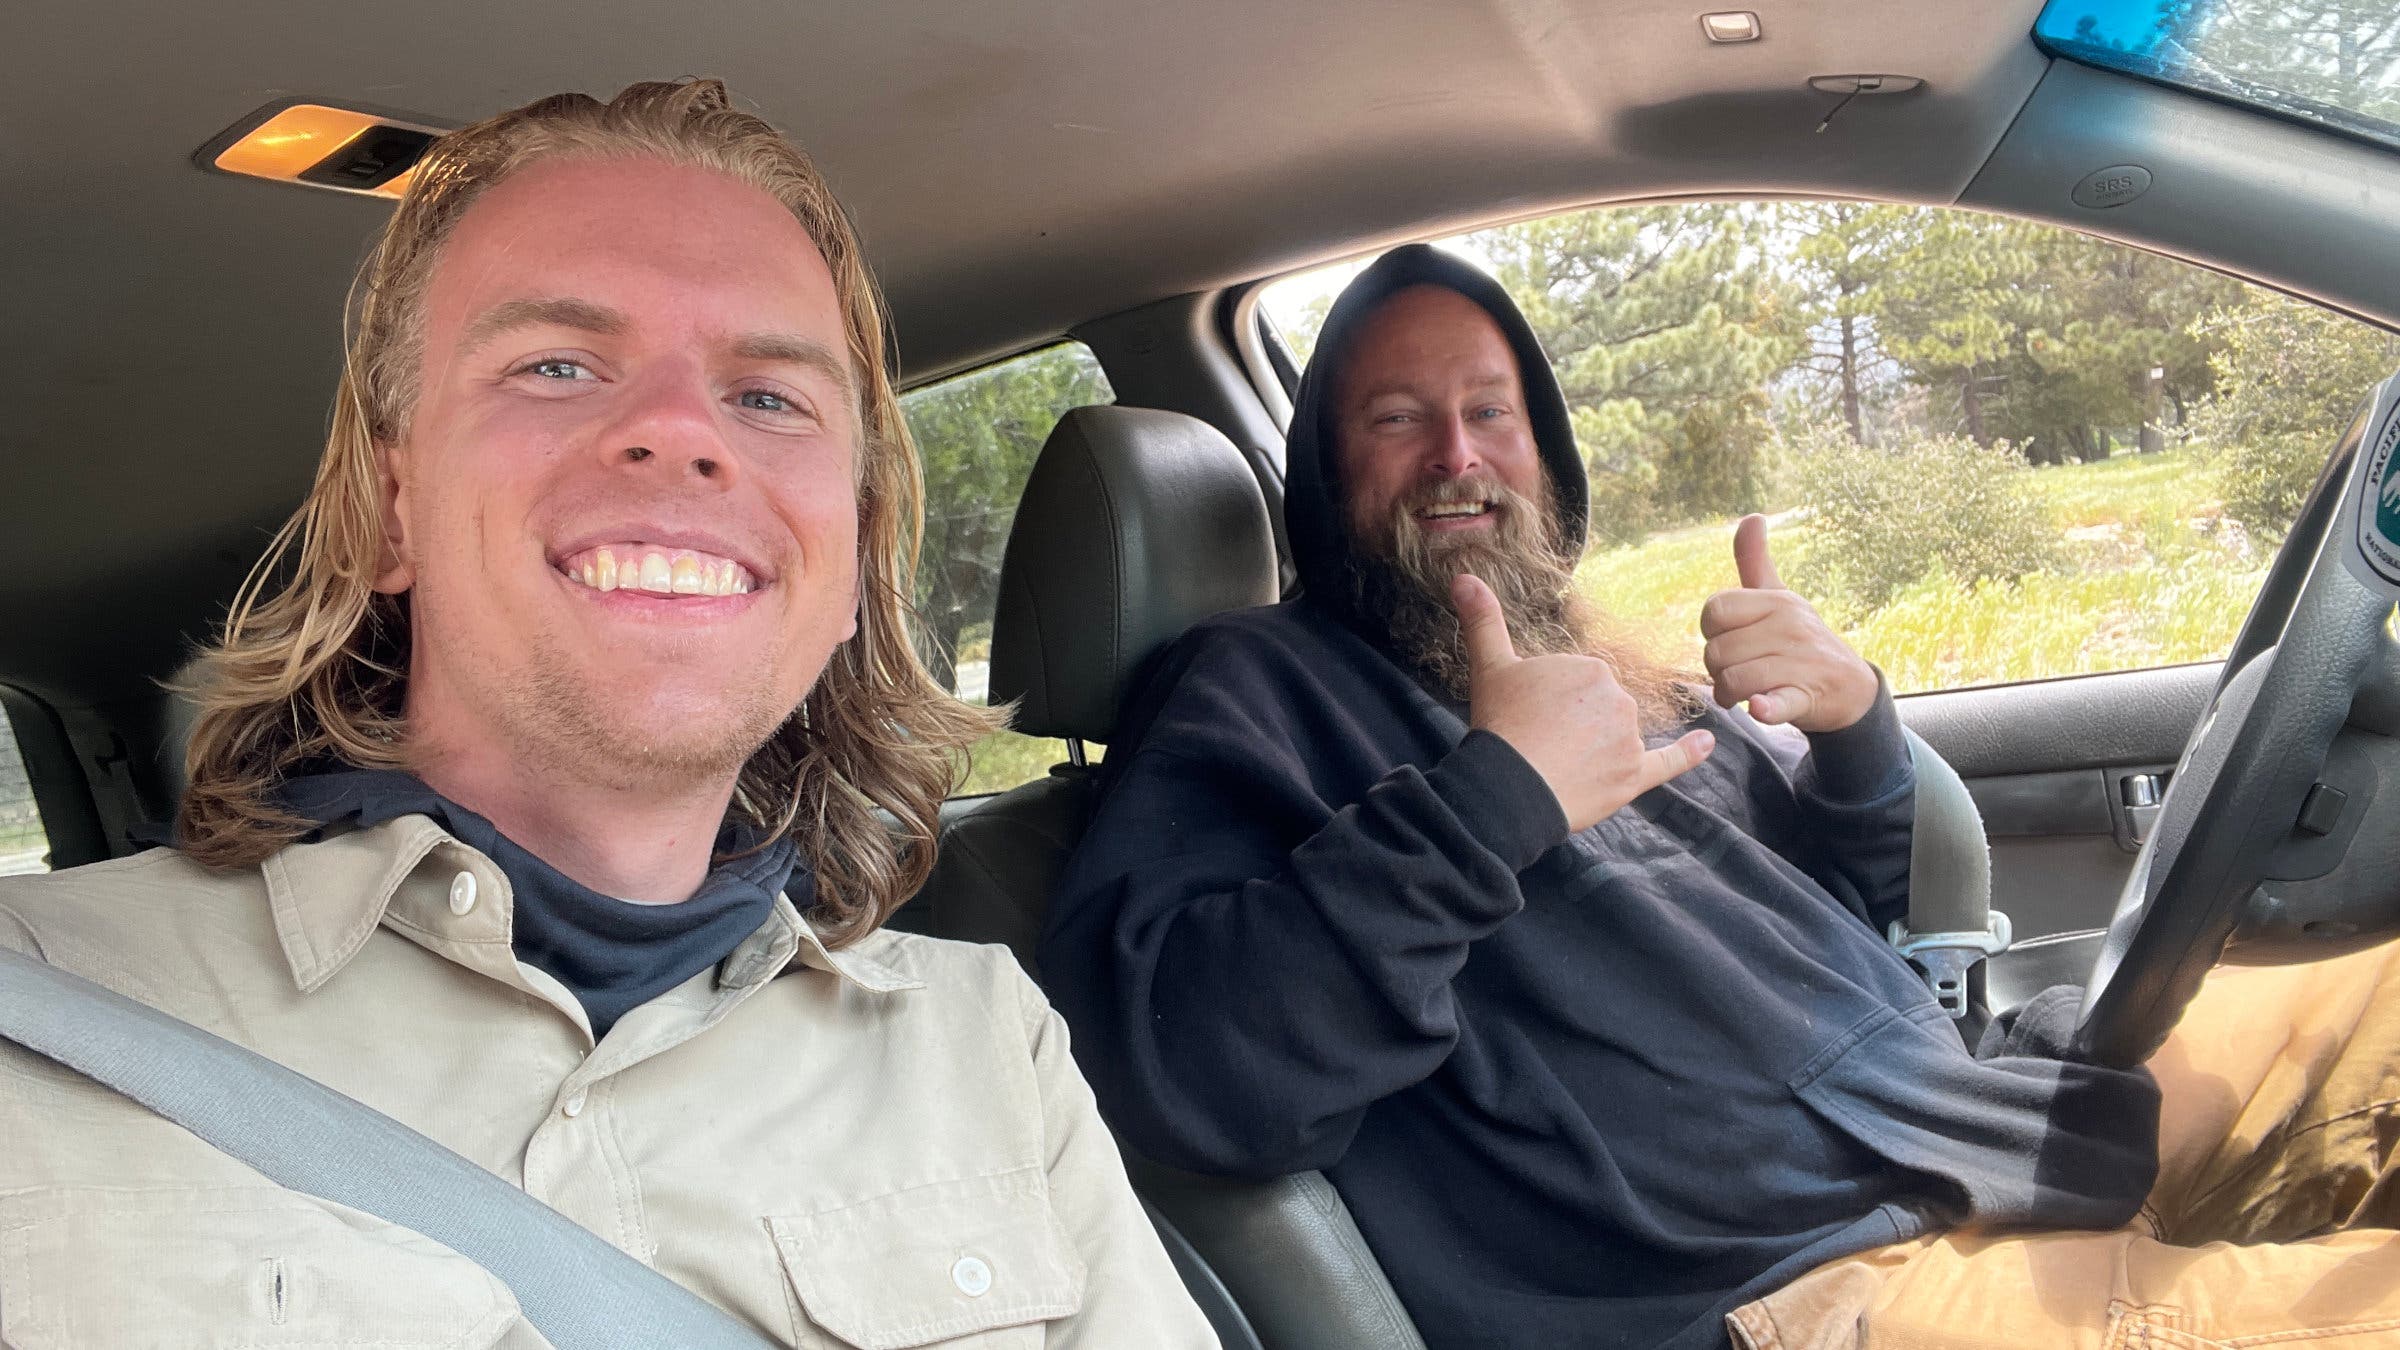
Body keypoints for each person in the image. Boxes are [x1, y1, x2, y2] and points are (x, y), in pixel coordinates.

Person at [0, 80, 1215, 1348]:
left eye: (768, 397)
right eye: (557, 366)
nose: (679, 432)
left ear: (852, 565)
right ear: (392, 511)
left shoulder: (988, 1048)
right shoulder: (41, 1016)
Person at [1043, 243, 2400, 1349]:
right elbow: (1189, 1073)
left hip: (1978, 1126)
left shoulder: (1599, 664)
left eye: (1491, 412)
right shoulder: (1248, 691)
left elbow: (1861, 912)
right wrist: (1488, 802)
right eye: (1396, 419)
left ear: (1543, 453)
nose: (1457, 451)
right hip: (1794, 1287)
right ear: (1326, 477)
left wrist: (1855, 732)